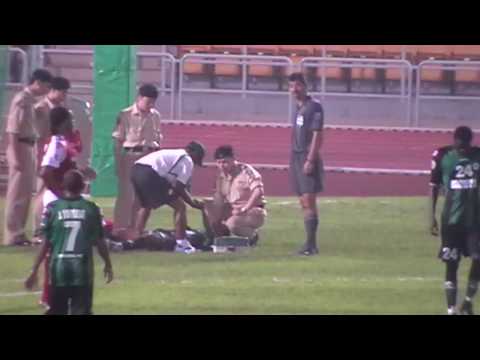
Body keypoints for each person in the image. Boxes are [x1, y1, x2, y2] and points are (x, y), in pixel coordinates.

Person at [25, 170, 113, 315]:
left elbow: (46, 243)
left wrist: (34, 270)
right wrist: (107, 263)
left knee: (57, 310)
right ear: (83, 186)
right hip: (82, 270)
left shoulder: (52, 209)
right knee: (81, 310)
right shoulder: (91, 208)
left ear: (63, 186)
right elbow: (99, 240)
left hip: (59, 270)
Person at [430, 126, 480, 315]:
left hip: (474, 221)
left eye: (465, 147)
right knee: (452, 264)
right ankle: (451, 309)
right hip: (451, 221)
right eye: (459, 146)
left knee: (478, 258)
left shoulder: (477, 156)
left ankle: (467, 301)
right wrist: (432, 217)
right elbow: (433, 186)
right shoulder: (442, 156)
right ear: (454, 141)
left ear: (470, 143)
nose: (462, 150)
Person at [3, 68, 52, 246]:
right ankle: (13, 234)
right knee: (16, 194)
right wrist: (15, 157)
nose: (47, 90)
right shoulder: (21, 100)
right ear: (37, 82)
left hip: (29, 145)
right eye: (46, 86)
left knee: (25, 193)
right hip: (21, 146)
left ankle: (20, 233)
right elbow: (12, 131)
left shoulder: (30, 101)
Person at [130, 141, 206, 254]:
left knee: (146, 205)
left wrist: (172, 195)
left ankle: (136, 238)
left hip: (136, 170)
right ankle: (182, 244)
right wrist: (192, 203)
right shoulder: (187, 159)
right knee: (180, 206)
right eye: (197, 158)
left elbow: (172, 185)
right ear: (192, 153)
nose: (195, 162)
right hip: (150, 173)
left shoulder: (172, 153)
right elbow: (179, 187)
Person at [112, 84, 163, 232]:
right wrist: (118, 162)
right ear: (139, 98)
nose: (151, 105)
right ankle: (119, 228)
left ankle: (137, 228)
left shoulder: (155, 116)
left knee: (143, 196)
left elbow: (158, 137)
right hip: (130, 156)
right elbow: (118, 141)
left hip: (149, 157)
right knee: (126, 194)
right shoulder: (125, 114)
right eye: (148, 102)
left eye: (153, 102)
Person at [288, 72, 325, 256]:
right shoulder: (298, 108)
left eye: (298, 85)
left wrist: (310, 159)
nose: (294, 90)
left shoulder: (314, 107)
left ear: (305, 86)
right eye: (291, 86)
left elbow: (317, 135)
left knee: (309, 200)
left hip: (306, 157)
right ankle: (309, 244)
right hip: (295, 158)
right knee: (303, 201)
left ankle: (311, 245)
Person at [32, 76, 73, 238]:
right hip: (44, 153)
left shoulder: (62, 108)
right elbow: (38, 135)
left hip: (56, 154)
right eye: (63, 92)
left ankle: (48, 227)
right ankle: (38, 230)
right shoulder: (40, 108)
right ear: (53, 90)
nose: (64, 96)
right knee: (42, 192)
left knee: (49, 191)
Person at [203, 145, 267, 245]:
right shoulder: (221, 176)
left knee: (232, 224)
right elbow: (219, 197)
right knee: (208, 208)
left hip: (253, 210)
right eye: (219, 162)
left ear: (233, 159)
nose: (222, 165)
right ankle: (218, 239)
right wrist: (212, 209)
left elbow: (258, 191)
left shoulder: (246, 171)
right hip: (233, 209)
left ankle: (253, 236)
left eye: (225, 162)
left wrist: (245, 208)